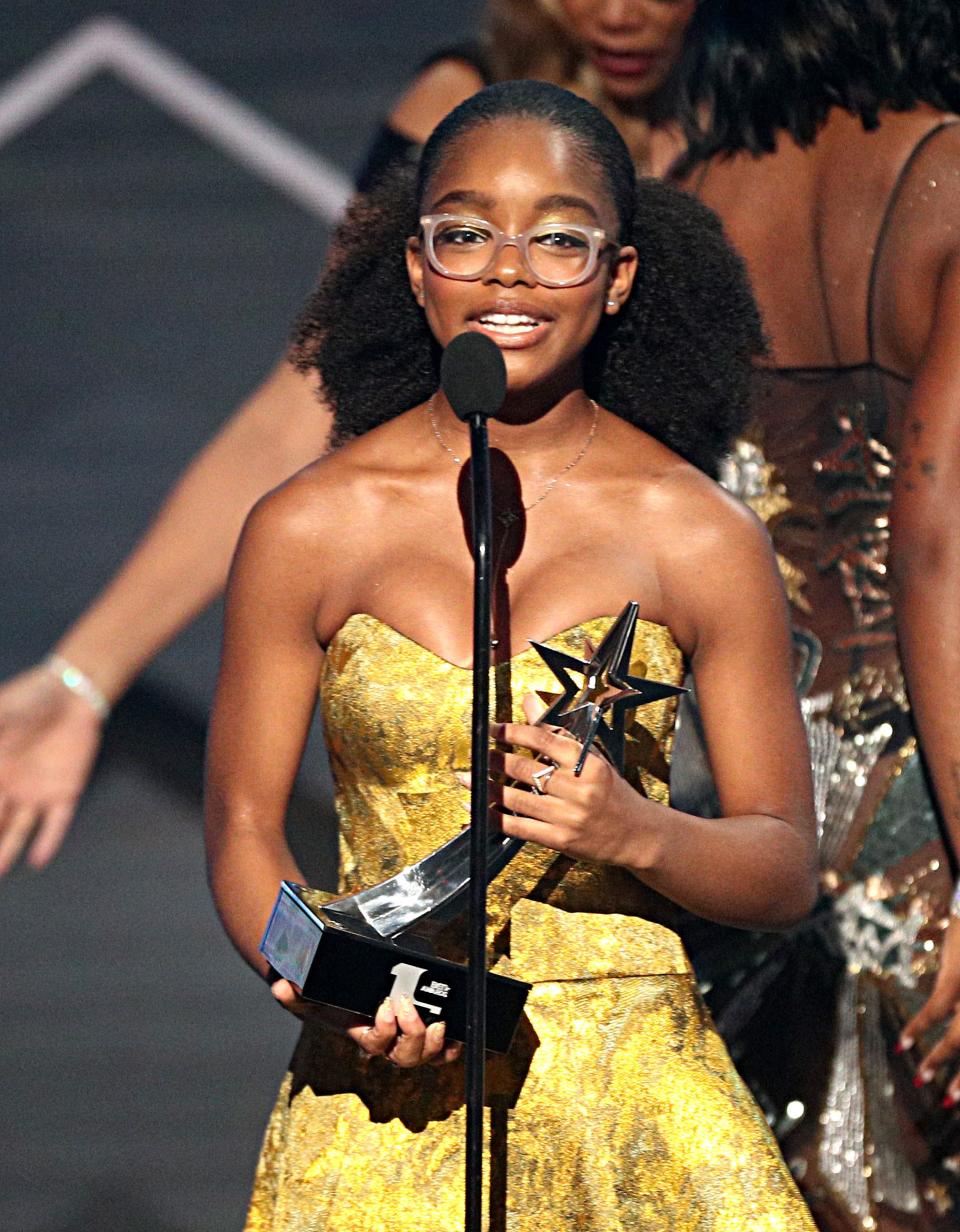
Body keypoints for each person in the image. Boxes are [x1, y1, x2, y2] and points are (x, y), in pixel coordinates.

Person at [205, 79, 818, 1231]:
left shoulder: (698, 532)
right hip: (390, 1094)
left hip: (632, 1100)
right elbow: (243, 823)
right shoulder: (306, 526)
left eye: (557, 240)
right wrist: (327, 979)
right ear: (415, 261)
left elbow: (783, 863)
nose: (507, 273)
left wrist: (635, 828)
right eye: (468, 232)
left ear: (619, 274)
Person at [0, 1, 698, 876]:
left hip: (744, 633)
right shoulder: (458, 110)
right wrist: (81, 679)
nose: (620, 14)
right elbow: (306, 402)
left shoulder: (769, 107)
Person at [668, 1, 960, 1227]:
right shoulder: (942, 171)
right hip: (928, 816)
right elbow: (941, 545)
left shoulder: (676, 203)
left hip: (751, 821)